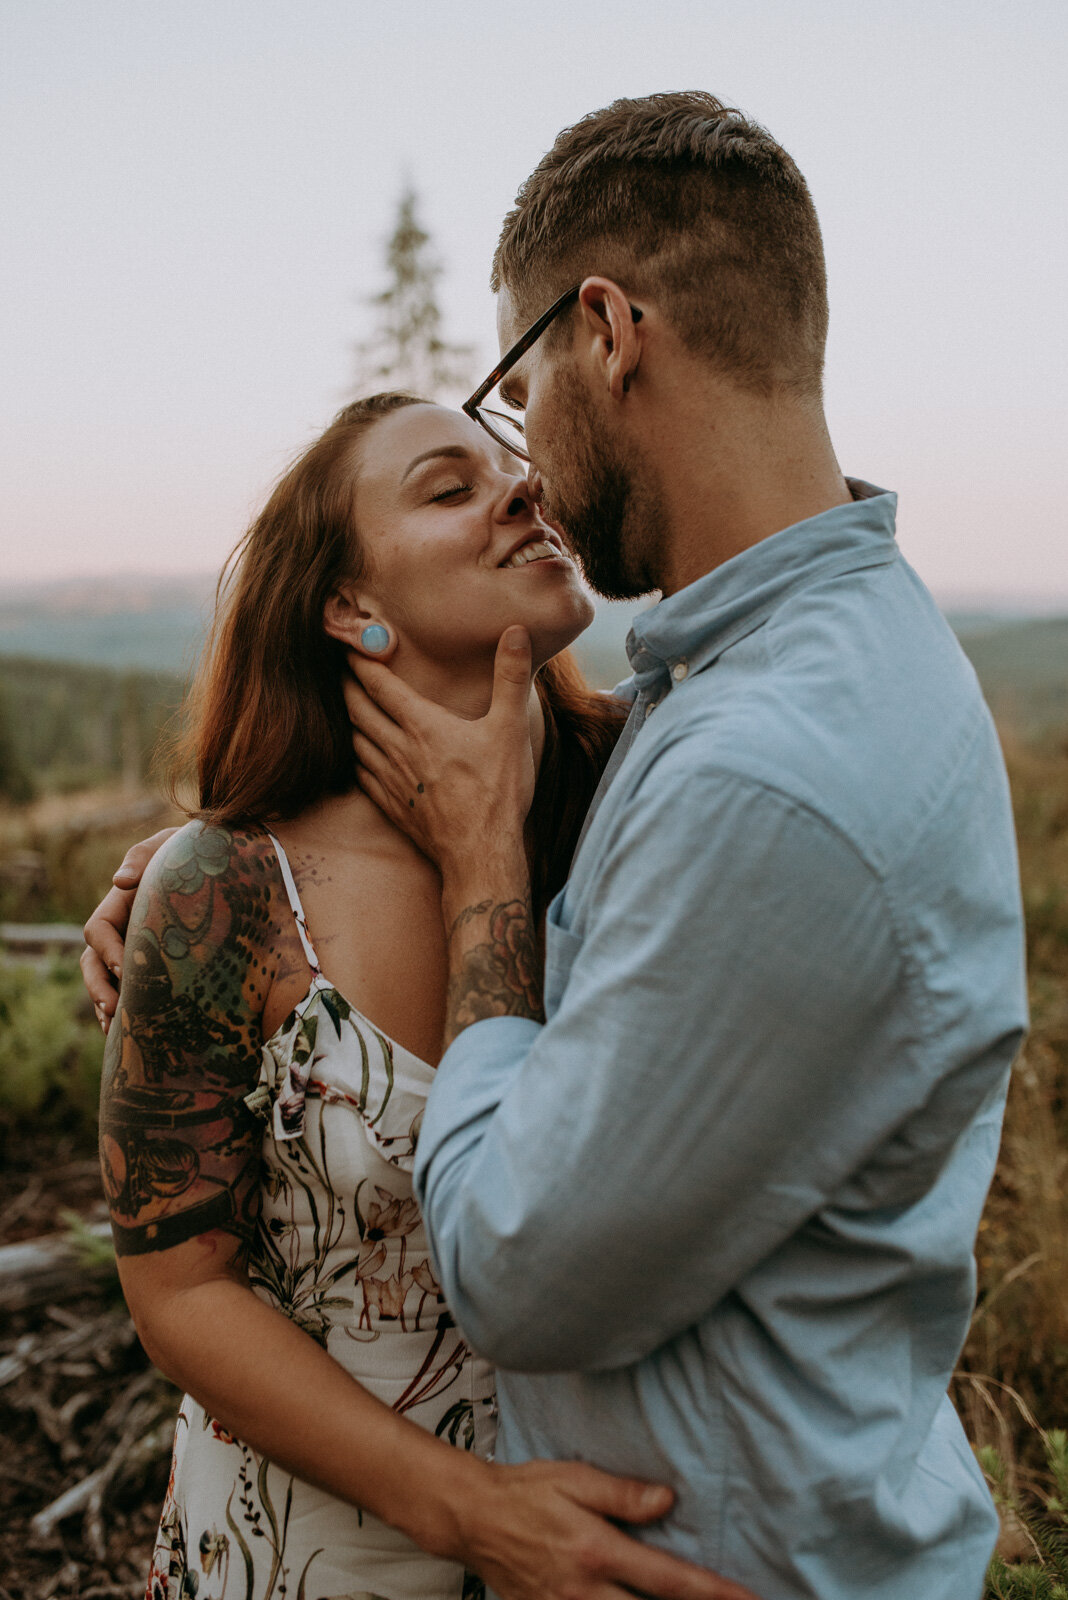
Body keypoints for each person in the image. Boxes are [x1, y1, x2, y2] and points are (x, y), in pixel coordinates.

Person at [336, 94, 1029, 1599]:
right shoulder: (752, 667)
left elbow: (518, 1264)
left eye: (513, 387)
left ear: (604, 330)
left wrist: (487, 889)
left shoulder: (775, 770)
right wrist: (206, 869)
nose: (518, 454)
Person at [89, 391, 756, 1600]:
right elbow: (180, 1289)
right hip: (309, 1553)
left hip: (611, 1523)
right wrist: (473, 1513)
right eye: (449, 487)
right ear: (349, 606)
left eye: (516, 470)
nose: (524, 490)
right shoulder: (234, 886)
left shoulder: (649, 802)